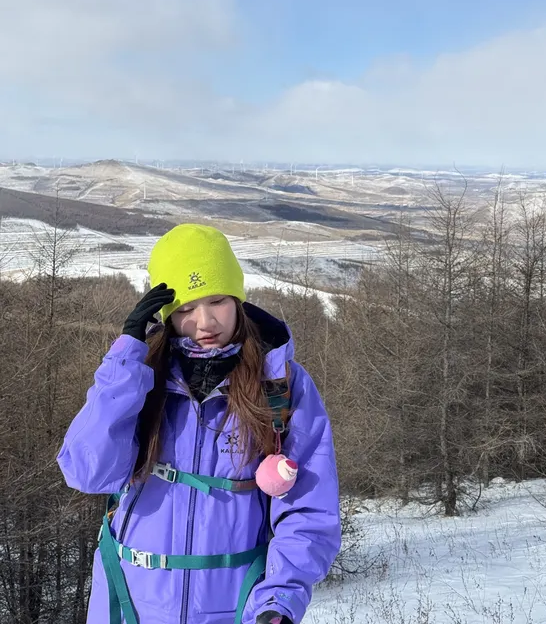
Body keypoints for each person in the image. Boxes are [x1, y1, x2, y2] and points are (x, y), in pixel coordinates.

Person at [58, 224, 341, 624]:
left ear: (238, 300)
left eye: (218, 301)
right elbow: (87, 472)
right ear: (167, 315)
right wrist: (124, 362)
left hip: (234, 607)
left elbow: (310, 510)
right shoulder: (139, 377)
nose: (205, 322)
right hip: (129, 604)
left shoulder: (280, 385)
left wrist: (279, 601)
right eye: (186, 309)